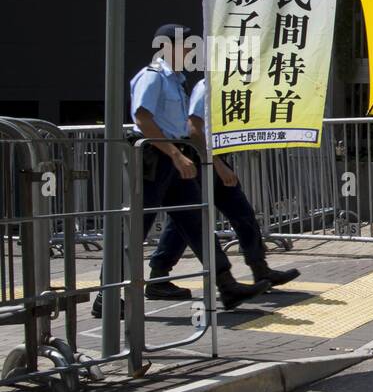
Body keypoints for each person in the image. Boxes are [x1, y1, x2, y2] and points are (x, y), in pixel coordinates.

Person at [93, 25, 270, 318]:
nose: (192, 50)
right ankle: (106, 297)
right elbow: (142, 117)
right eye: (187, 45)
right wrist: (175, 154)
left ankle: (227, 285)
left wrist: (185, 155)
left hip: (176, 159)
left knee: (198, 224)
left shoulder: (177, 81)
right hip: (154, 159)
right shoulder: (152, 76)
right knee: (134, 231)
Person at [149, 75, 300, 298]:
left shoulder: (229, 86)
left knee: (241, 213)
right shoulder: (207, 86)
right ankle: (159, 275)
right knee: (186, 221)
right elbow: (194, 129)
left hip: (213, 161)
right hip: (203, 162)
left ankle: (259, 269)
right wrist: (217, 165)